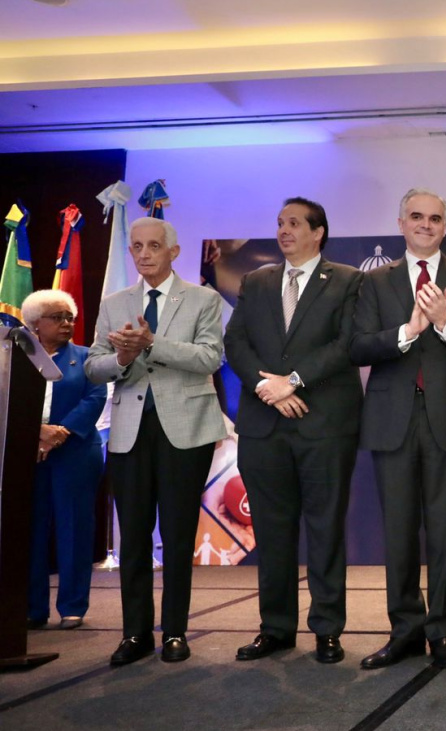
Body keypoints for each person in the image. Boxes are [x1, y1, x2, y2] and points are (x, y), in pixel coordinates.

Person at [349, 188, 446, 670]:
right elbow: (360, 347)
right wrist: (409, 331)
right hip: (393, 423)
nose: (425, 224)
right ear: (401, 223)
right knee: (400, 533)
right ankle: (404, 631)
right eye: (416, 217)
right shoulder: (375, 282)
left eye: (434, 218)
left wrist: (444, 321)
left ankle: (443, 633)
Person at [224, 197, 363, 664]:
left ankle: (326, 629)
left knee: (324, 529)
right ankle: (276, 628)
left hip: (323, 424)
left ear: (318, 232)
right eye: (280, 223)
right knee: (273, 529)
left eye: (295, 223)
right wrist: (269, 387)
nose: (284, 230)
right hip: (265, 425)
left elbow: (347, 343)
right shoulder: (255, 281)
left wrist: (294, 381)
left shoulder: (347, 280)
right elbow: (236, 341)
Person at [86, 217, 227, 666]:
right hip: (129, 432)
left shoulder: (203, 298)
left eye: (152, 246)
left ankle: (176, 633)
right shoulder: (115, 303)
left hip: (184, 430)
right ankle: (135, 634)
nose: (143, 254)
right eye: (136, 247)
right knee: (133, 538)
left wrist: (151, 344)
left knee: (179, 534)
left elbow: (210, 356)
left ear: (174, 252)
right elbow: (93, 366)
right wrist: (123, 357)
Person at [24, 290, 106, 631]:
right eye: (57, 317)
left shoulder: (87, 358)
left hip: (74, 454)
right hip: (26, 455)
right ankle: (32, 608)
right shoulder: (16, 357)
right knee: (30, 531)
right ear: (34, 324)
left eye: (69, 317)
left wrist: (61, 431)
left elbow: (96, 396)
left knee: (74, 528)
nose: (67, 323)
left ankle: (73, 606)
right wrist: (36, 431)